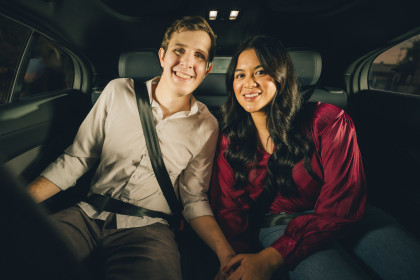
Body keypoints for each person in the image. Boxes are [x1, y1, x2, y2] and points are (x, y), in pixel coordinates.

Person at [27, 16, 234, 280]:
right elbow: (77, 159)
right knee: (23, 255)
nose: (187, 63)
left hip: (148, 231)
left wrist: (225, 254)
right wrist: (18, 202)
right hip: (86, 215)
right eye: (179, 50)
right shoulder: (117, 91)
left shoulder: (207, 126)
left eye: (199, 56)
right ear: (162, 56)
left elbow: (193, 198)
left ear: (207, 69)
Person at [210, 35, 420, 280]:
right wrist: (241, 264)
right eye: (240, 74)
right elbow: (231, 212)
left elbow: (343, 205)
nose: (248, 83)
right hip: (280, 225)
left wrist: (271, 258)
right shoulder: (230, 142)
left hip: (350, 219)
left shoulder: (328, 121)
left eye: (260, 72)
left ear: (281, 76)